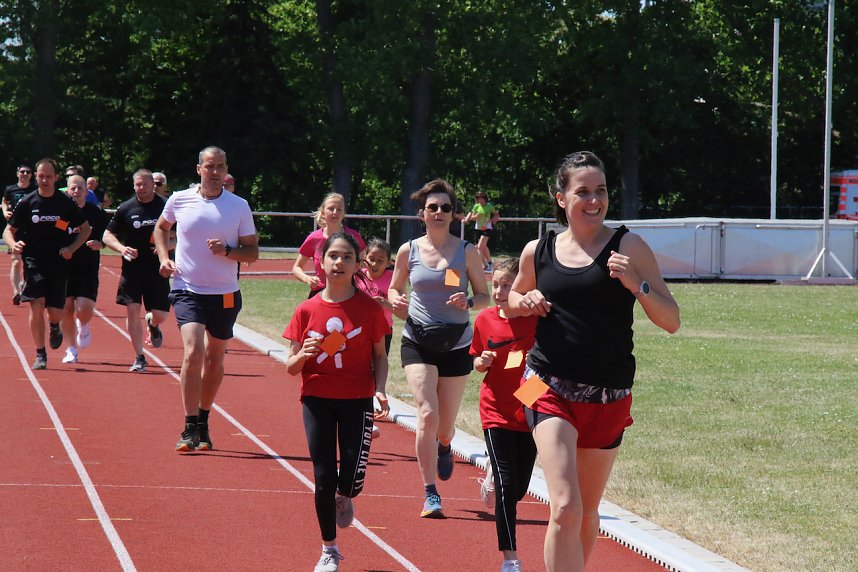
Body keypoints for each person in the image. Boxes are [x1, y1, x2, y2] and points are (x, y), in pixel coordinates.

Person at [507, 151, 680, 572]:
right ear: (560, 198)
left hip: (610, 393)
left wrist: (635, 283)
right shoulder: (538, 249)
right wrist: (524, 299)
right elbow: (511, 301)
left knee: (586, 513)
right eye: (582, 191)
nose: (593, 200)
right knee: (565, 506)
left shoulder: (630, 246)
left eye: (600, 191)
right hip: (544, 386)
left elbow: (671, 320)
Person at [283, 232, 390, 572]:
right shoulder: (306, 309)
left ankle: (346, 494)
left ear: (358, 264)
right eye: (333, 256)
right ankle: (329, 549)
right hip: (317, 397)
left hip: (358, 397)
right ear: (322, 262)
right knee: (324, 474)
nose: (339, 262)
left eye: (347, 257)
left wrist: (380, 388)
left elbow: (380, 356)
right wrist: (303, 353)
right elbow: (290, 367)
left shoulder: (370, 309)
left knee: (351, 481)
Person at [388, 178, 489, 518]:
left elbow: (485, 295)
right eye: (433, 207)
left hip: (457, 342)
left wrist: (470, 300)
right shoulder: (408, 250)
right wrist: (396, 300)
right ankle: (430, 492)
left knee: (444, 426)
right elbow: (393, 288)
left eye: (446, 207)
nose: (440, 212)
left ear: (455, 215)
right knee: (426, 413)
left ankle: (445, 445)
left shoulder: (467, 251)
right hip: (417, 339)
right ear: (422, 214)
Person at [153, 146, 259, 452]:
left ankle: (203, 419)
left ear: (226, 170)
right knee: (193, 350)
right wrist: (164, 256)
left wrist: (228, 251)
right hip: (187, 287)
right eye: (210, 166)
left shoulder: (238, 206)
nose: (215, 173)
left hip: (225, 293)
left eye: (221, 167)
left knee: (214, 360)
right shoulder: (179, 199)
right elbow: (162, 228)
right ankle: (188, 426)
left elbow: (252, 252)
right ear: (199, 169)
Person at [469, 257, 538, 572]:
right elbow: (476, 361)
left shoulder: (538, 321)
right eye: (495, 284)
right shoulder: (484, 320)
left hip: (531, 408)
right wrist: (481, 363)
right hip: (495, 408)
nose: (498, 291)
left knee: (520, 487)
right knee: (508, 486)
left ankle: (495, 477)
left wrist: (527, 402)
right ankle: (510, 560)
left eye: (507, 285)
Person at [2, 158, 90, 369]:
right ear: (36, 176)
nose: (44, 180)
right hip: (33, 261)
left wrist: (71, 248)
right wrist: (13, 244)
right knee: (35, 303)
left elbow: (85, 229)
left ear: (56, 177)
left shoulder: (65, 202)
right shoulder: (28, 202)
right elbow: (8, 231)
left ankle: (54, 325)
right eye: (41, 176)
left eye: (48, 177)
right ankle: (40, 354)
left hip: (58, 263)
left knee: (55, 312)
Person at [102, 169, 172, 372]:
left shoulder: (166, 206)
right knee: (132, 310)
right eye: (137, 185)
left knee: (160, 314)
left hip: (157, 269)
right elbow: (107, 235)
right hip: (132, 269)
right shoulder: (126, 208)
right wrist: (122, 248)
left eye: (145, 184)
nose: (141, 188)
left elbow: (182, 234)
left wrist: (166, 247)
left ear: (153, 185)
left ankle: (154, 324)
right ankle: (139, 356)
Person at [60, 175, 110, 364]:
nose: (76, 192)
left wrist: (101, 244)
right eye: (73, 188)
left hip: (87, 267)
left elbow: (109, 235)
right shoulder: (62, 213)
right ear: (67, 190)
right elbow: (55, 234)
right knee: (66, 308)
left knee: (83, 309)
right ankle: (71, 349)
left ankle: (84, 324)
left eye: (80, 188)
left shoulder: (96, 213)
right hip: (64, 268)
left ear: (87, 191)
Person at [293, 192, 365, 298]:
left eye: (339, 209)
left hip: (348, 293)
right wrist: (307, 279)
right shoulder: (314, 238)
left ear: (344, 213)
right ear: (323, 212)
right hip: (320, 293)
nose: (335, 212)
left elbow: (363, 266)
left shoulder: (353, 237)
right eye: (331, 208)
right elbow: (296, 267)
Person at [3, 163, 36, 305]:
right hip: (15, 229)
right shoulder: (10, 189)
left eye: (28, 172)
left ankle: (25, 285)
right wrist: (5, 211)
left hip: (32, 230)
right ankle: (17, 292)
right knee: (16, 261)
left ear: (31, 175)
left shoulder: (35, 190)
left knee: (30, 262)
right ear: (17, 173)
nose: (24, 174)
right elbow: (5, 202)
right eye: (22, 172)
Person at [464, 190, 500, 272]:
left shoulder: (489, 206)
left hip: (486, 228)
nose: (480, 201)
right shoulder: (476, 206)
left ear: (485, 199)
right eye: (478, 199)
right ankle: (488, 264)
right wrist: (476, 216)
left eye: (481, 199)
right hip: (478, 228)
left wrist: (491, 220)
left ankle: (487, 265)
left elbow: (496, 215)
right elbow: (472, 217)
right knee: (479, 247)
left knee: (480, 247)